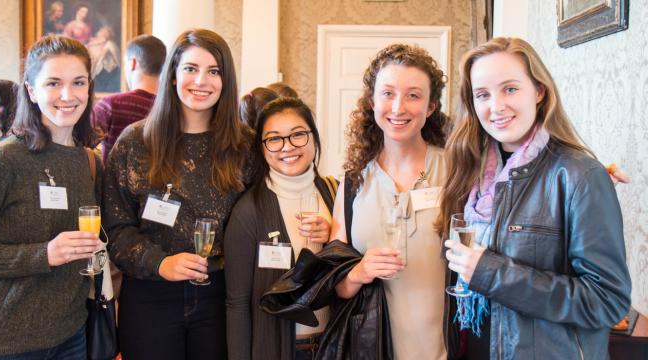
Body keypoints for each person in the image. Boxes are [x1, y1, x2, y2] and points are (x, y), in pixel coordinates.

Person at [438, 37, 631, 359]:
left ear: (539, 91)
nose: (496, 106)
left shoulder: (580, 175)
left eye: (510, 89)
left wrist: (490, 272)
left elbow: (606, 301)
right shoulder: (470, 173)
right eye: (482, 94)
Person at [0, 35, 103, 359]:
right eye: (53, 83)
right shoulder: (4, 160)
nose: (68, 95)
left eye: (78, 82)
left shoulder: (89, 162)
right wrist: (44, 254)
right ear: (31, 90)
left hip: (71, 335)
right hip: (3, 340)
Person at [102, 28, 252, 360]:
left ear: (226, 81)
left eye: (214, 71)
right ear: (172, 75)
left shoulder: (244, 146)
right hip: (149, 296)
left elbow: (267, 211)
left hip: (222, 297)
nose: (202, 81)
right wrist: (161, 263)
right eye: (191, 69)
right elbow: (114, 227)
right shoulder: (135, 142)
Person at [330, 44, 455, 360]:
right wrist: (360, 270)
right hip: (372, 349)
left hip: (446, 349)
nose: (398, 107)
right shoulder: (352, 182)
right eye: (388, 93)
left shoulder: (457, 171)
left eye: (413, 95)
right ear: (372, 102)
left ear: (430, 107)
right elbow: (336, 286)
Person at [225, 97, 336, 360]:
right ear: (261, 147)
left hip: (332, 345)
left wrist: (335, 236)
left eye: (298, 134)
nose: (287, 147)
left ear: (314, 137)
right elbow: (237, 304)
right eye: (274, 139)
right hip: (276, 349)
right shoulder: (248, 211)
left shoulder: (336, 194)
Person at [92, 34, 166, 162]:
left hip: (112, 181)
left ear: (132, 63)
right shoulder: (169, 109)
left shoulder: (110, 105)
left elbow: (80, 143)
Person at [87, 26, 121, 92]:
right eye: (101, 31)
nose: (101, 32)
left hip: (108, 70)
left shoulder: (109, 44)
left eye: (105, 32)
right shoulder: (93, 42)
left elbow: (103, 55)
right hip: (96, 70)